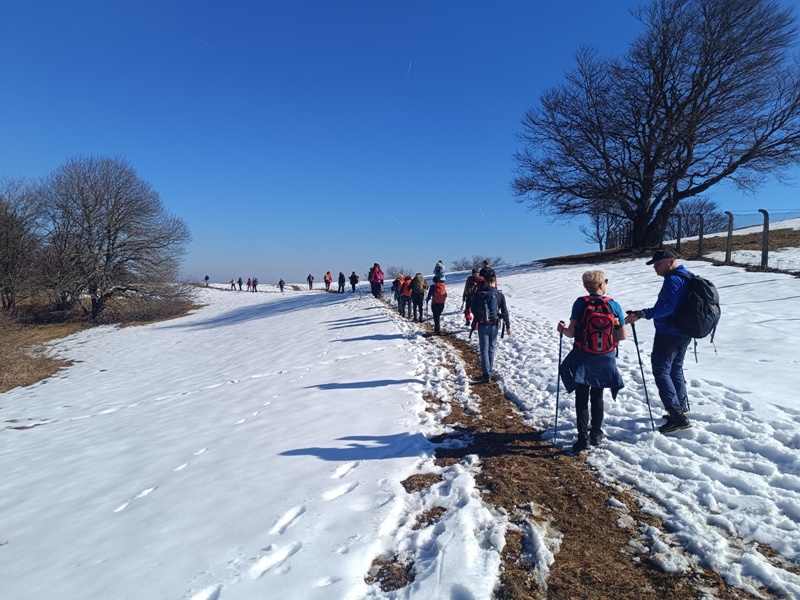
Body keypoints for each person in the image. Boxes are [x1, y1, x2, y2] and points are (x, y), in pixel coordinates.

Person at [557, 270, 627, 453]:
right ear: (601, 284)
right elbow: (623, 336)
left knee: (582, 396)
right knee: (597, 395)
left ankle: (583, 438)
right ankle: (596, 433)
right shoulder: (613, 305)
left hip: (583, 355)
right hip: (605, 356)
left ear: (586, 286)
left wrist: (561, 329)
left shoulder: (580, 303)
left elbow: (571, 333)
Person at [625, 249, 693, 434]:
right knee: (675, 368)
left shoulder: (673, 279)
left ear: (671, 261)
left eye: (658, 263)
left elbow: (667, 307)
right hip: (683, 332)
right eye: (654, 264)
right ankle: (680, 407)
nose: (655, 267)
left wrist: (643, 313)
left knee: (662, 370)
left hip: (669, 333)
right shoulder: (686, 277)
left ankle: (677, 415)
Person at [469, 270, 511, 383]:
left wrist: (477, 318)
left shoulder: (479, 293)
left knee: (484, 349)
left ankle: (486, 373)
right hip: (494, 324)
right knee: (491, 348)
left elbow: (473, 308)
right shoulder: (499, 295)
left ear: (485, 282)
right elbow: (505, 312)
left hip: (482, 324)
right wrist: (508, 325)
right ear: (495, 281)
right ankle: (490, 370)